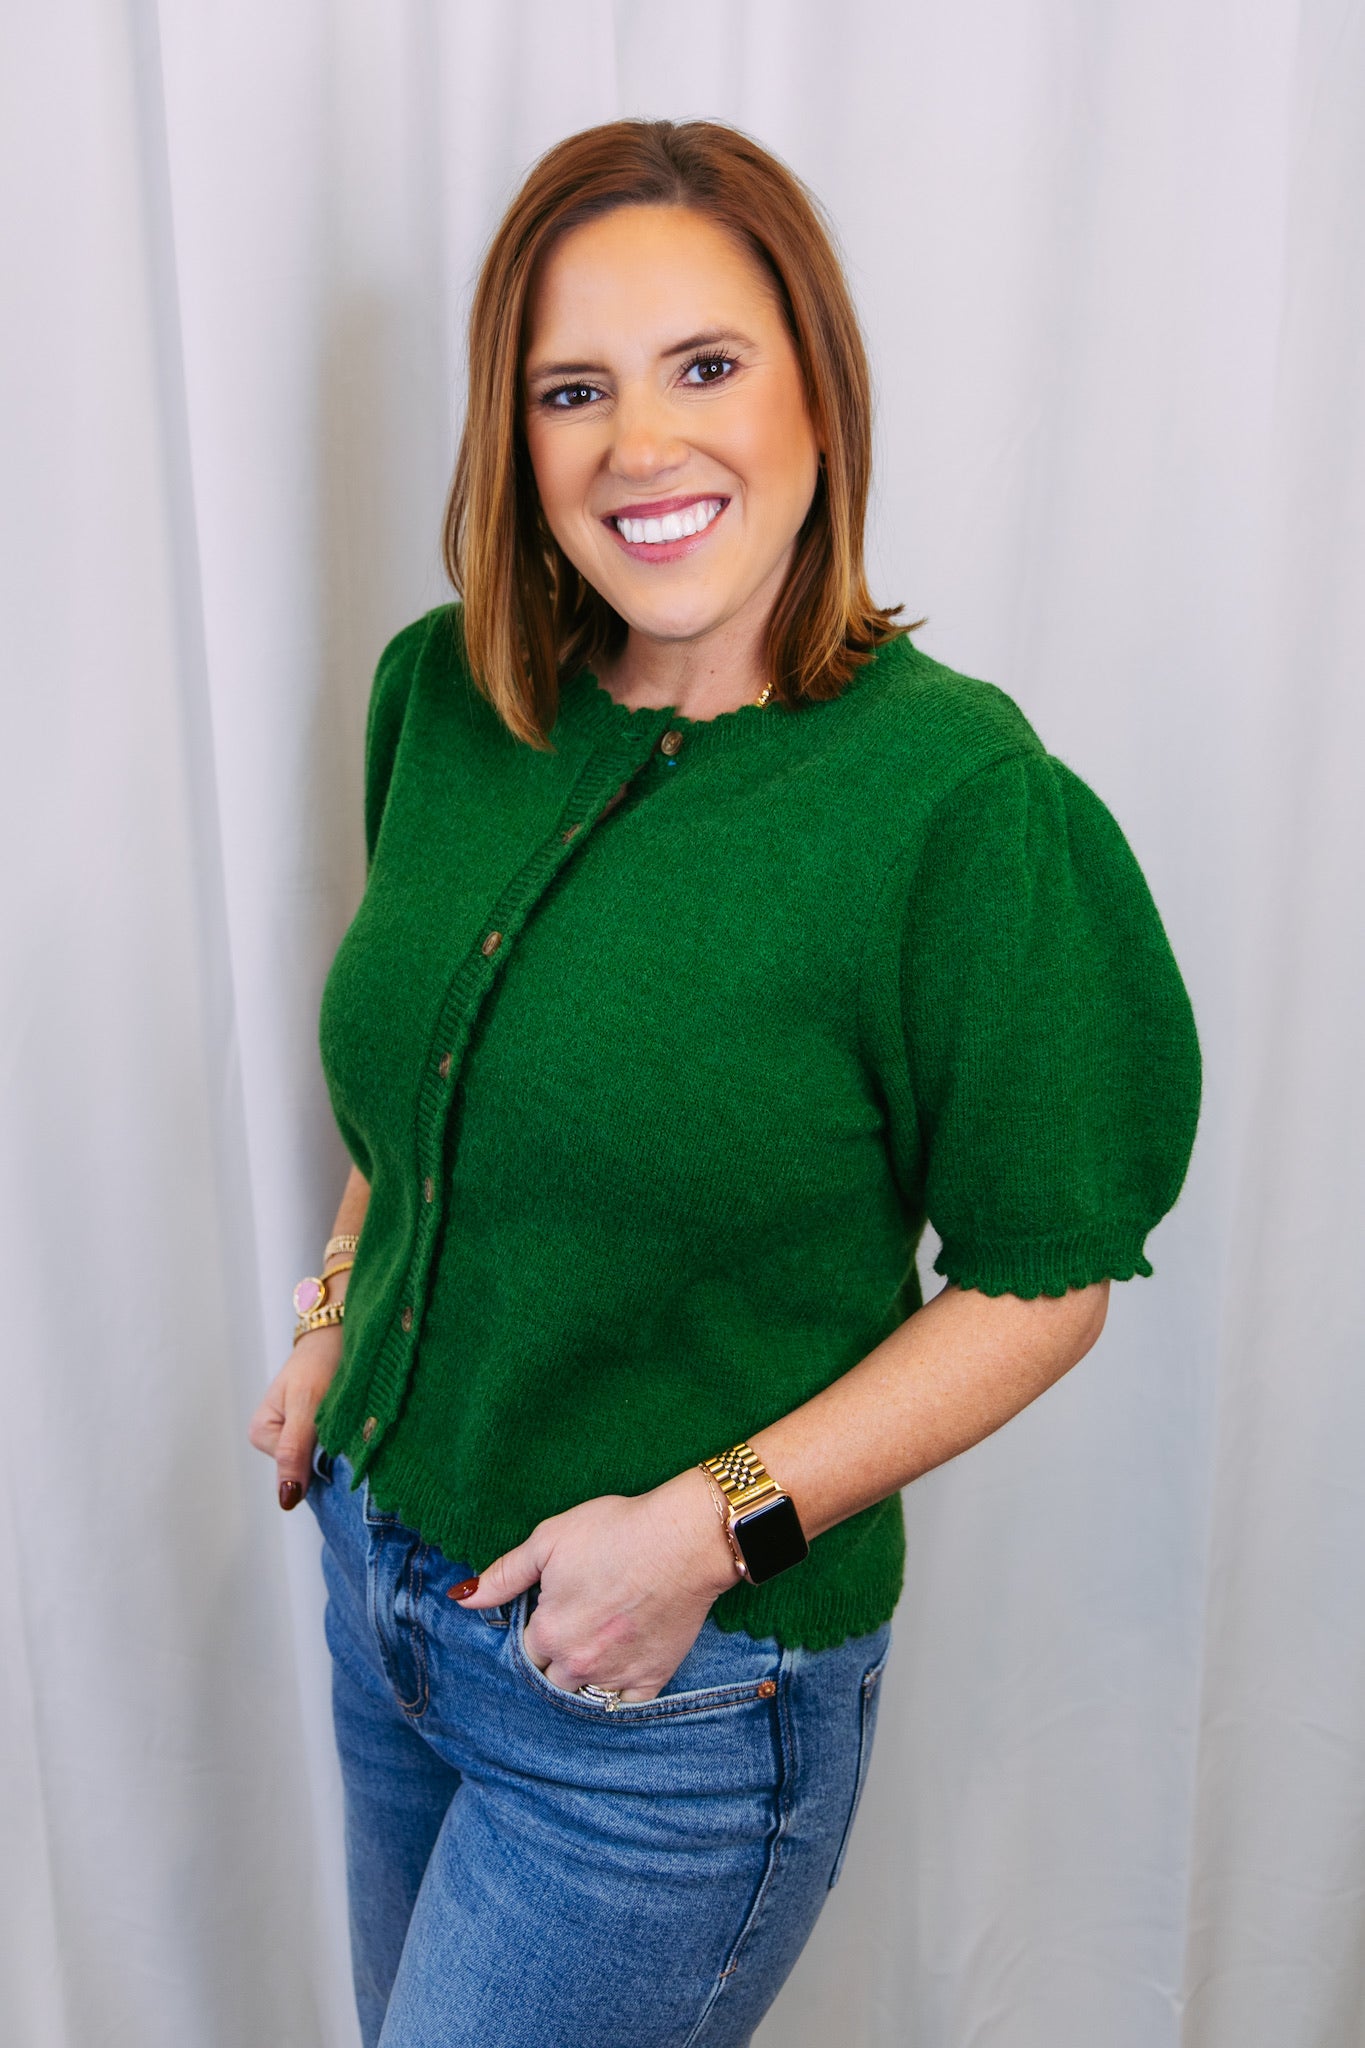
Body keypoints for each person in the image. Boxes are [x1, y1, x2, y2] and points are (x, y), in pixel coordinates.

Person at [248, 118, 1201, 2048]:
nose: (639, 446)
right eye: (572, 389)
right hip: (386, 1604)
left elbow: (1044, 1277)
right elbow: (426, 1082)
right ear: (515, 441)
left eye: (705, 367)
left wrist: (705, 1525)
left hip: (659, 1707)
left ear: (817, 397)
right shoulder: (446, 697)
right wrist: (343, 1307)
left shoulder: (955, 809)